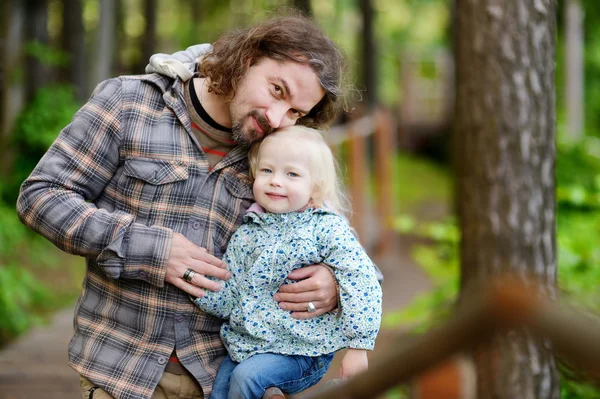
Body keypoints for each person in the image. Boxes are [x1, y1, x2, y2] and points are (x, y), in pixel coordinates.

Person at [17, 15, 355, 399]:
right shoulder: (128, 103)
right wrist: (151, 250)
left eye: (296, 111)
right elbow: (42, 196)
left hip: (231, 380)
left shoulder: (283, 148)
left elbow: (346, 247)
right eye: (277, 90)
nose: (278, 119)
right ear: (246, 60)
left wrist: (333, 284)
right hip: (121, 375)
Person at [194, 126, 382, 399]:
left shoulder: (325, 228)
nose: (276, 181)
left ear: (314, 187)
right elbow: (231, 295)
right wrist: (197, 282)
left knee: (247, 378)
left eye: (291, 174)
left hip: (301, 350)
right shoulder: (247, 232)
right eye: (267, 171)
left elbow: (361, 279)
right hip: (247, 346)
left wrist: (358, 347)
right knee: (221, 389)